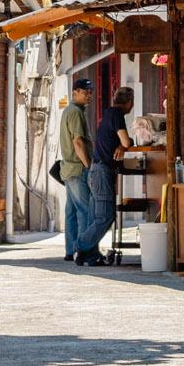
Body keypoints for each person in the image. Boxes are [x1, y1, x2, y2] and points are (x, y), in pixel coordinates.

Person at [75, 85, 134, 265]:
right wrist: (124, 145)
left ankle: (90, 256)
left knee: (96, 217)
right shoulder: (116, 114)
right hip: (102, 172)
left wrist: (122, 145)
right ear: (129, 103)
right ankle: (81, 245)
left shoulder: (109, 113)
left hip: (96, 170)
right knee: (106, 217)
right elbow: (126, 141)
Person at [58, 78, 94, 263]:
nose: (89, 95)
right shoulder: (75, 112)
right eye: (85, 91)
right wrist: (88, 164)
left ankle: (71, 251)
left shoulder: (70, 111)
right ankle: (83, 250)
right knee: (85, 210)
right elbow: (78, 142)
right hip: (77, 168)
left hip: (68, 168)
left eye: (90, 91)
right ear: (75, 92)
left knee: (71, 211)